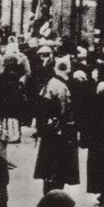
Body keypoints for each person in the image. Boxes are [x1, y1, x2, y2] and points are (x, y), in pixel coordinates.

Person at [33, 58, 80, 193]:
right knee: (58, 167)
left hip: (50, 130)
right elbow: (64, 110)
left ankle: (49, 191)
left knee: (49, 166)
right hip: (60, 132)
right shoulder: (61, 86)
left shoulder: (50, 84)